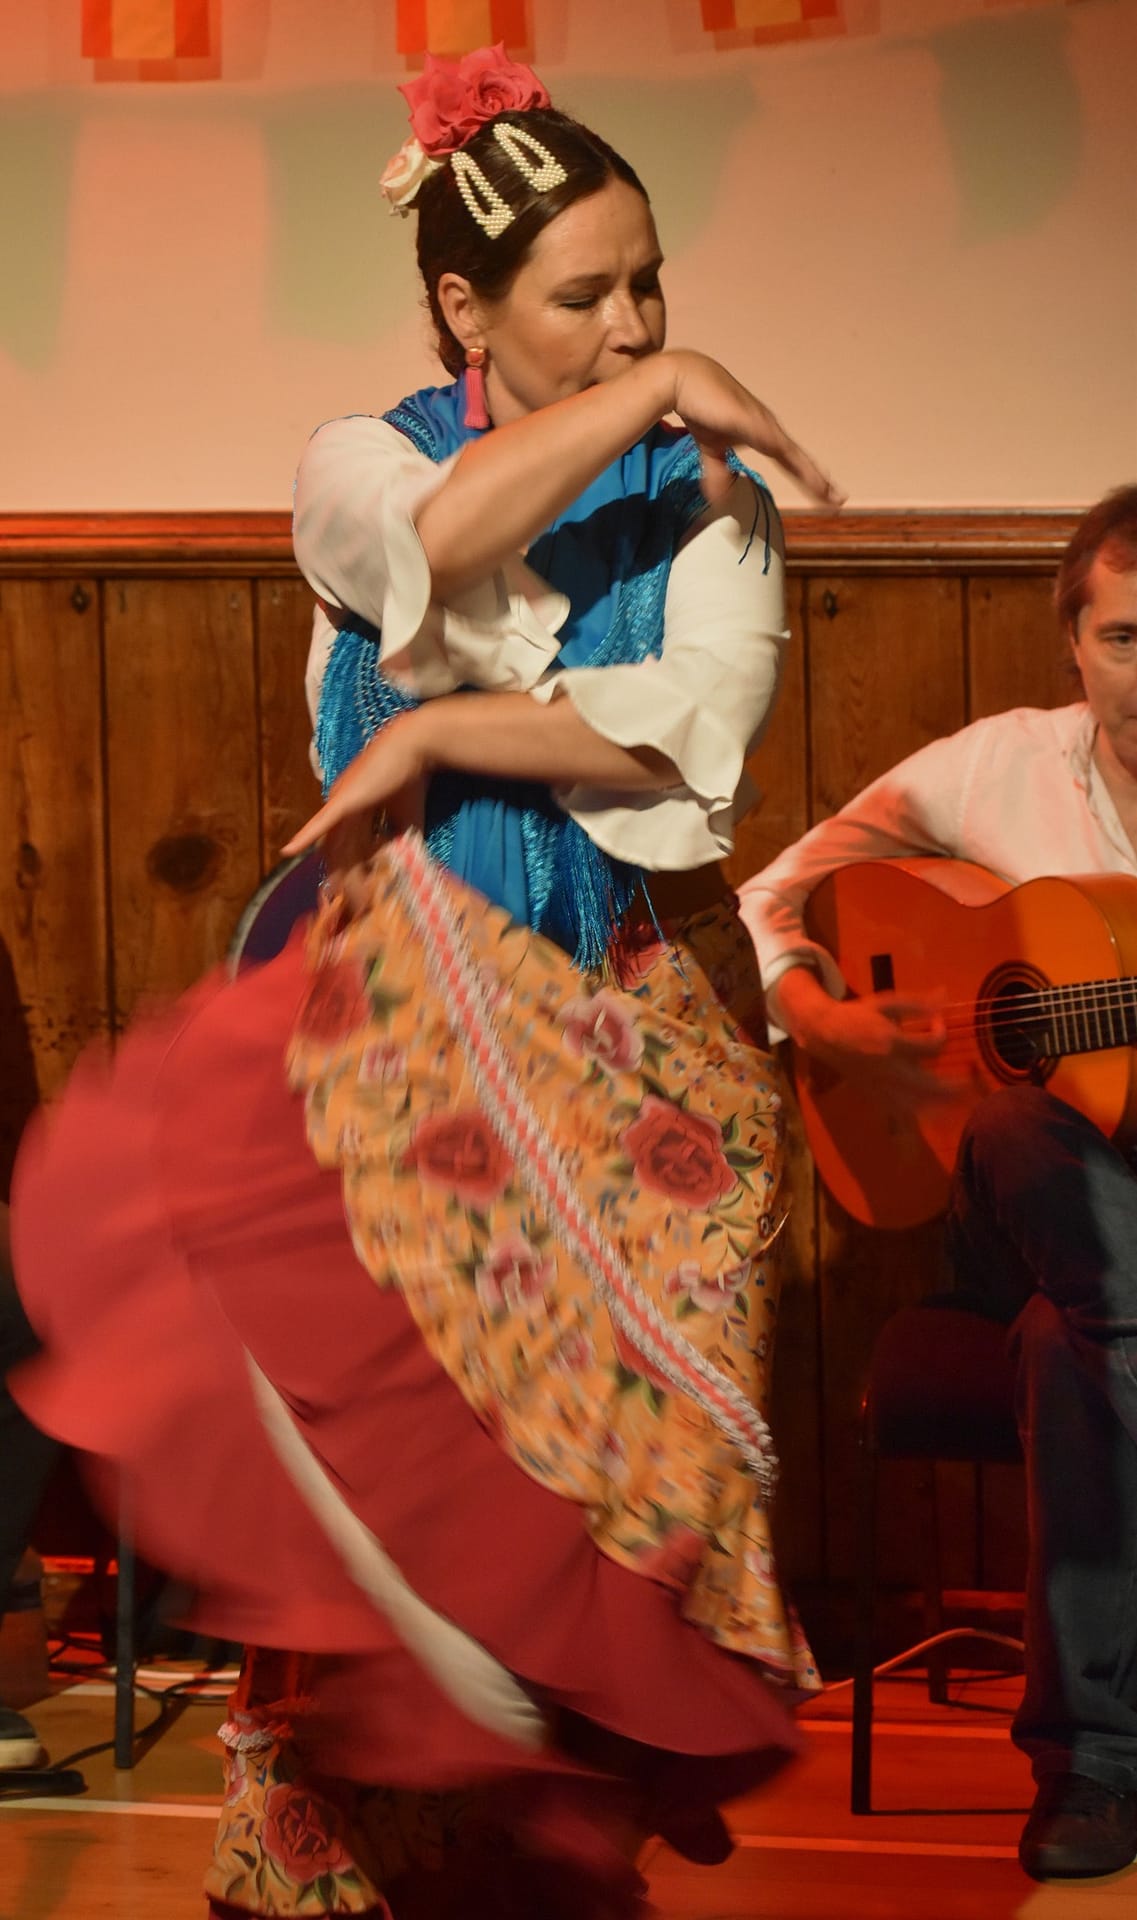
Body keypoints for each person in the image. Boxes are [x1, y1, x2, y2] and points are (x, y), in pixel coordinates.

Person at [10, 47, 841, 1920]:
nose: (633, 325)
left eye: (651, 287)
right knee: (388, 1469)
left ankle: (554, 1838)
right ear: (465, 307)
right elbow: (440, 537)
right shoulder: (359, 457)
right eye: (586, 294)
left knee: (630, 1496)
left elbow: (691, 733)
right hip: (399, 1027)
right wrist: (656, 395)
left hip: (641, 1020)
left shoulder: (712, 496)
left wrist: (453, 723)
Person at [738, 483, 1137, 1884]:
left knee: (1068, 1349)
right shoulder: (995, 769)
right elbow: (775, 894)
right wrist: (833, 1025)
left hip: (1090, 1272)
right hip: (1013, 1195)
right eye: (1125, 639)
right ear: (1072, 644)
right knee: (1025, 1128)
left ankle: (1092, 1765)